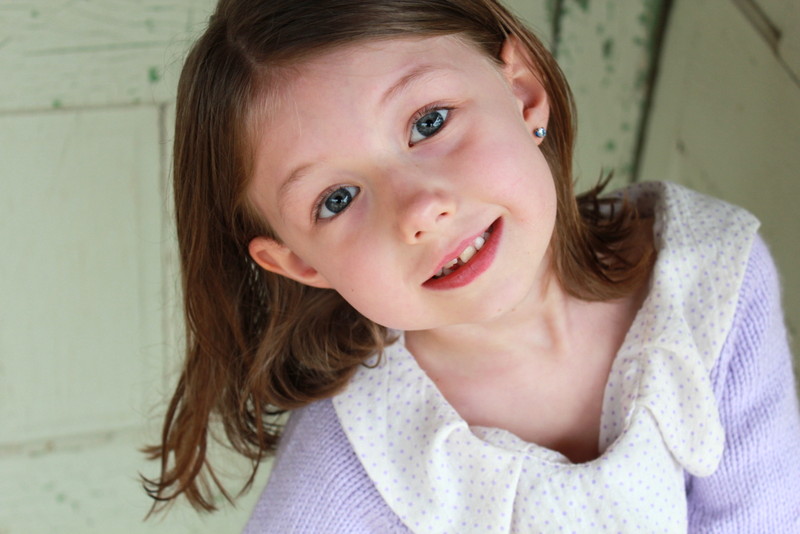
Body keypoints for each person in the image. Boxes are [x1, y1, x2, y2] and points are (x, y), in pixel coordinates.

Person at [143, 0, 800, 531]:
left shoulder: (710, 282)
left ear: (522, 92)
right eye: (337, 199)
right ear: (300, 264)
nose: (420, 210)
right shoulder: (356, 461)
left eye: (429, 122)